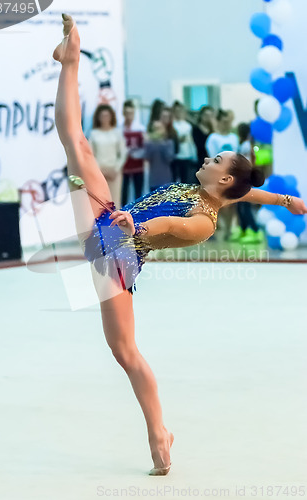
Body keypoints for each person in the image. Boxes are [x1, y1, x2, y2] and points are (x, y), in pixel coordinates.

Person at [53, 15, 307, 477]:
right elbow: (247, 192)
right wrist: (286, 199)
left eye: (214, 159)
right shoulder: (214, 192)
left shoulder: (203, 221)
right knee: (78, 146)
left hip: (119, 256)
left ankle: (157, 431)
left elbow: (168, 223)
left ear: (222, 178)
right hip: (110, 225)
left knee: (126, 353)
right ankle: (70, 61)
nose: (205, 159)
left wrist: (134, 229)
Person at [206, 109, 239, 240]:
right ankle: (216, 226)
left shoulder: (234, 137)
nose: (227, 124)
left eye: (228, 122)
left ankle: (229, 229)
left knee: (231, 203)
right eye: (224, 122)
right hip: (218, 175)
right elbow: (213, 157)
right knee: (217, 203)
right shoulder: (213, 138)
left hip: (232, 174)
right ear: (219, 122)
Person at [89, 104, 127, 209]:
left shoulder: (117, 133)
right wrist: (100, 170)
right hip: (99, 172)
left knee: (115, 201)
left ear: (111, 117)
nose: (105, 118)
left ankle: (116, 225)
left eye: (107, 116)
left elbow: (122, 153)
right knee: (101, 202)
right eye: (102, 116)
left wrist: (115, 169)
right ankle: (102, 225)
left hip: (115, 172)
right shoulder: (94, 134)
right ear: (98, 118)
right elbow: (91, 154)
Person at [231, 123, 263, 244]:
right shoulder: (243, 144)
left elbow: (245, 162)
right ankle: (243, 229)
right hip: (241, 177)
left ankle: (255, 230)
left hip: (244, 177)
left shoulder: (245, 145)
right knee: (240, 205)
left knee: (245, 206)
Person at [121, 100, 146, 206]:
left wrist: (137, 154)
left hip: (137, 165)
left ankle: (137, 213)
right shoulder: (119, 128)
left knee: (138, 193)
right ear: (123, 113)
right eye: (127, 113)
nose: (129, 115)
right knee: (123, 192)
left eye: (131, 113)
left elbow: (145, 147)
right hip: (123, 165)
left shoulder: (140, 128)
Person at [144, 120, 175, 192]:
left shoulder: (168, 143)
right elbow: (147, 157)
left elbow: (169, 158)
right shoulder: (150, 143)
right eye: (155, 128)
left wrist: (161, 143)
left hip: (165, 180)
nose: (156, 131)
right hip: (153, 180)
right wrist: (150, 143)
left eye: (159, 128)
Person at [171, 101, 197, 183]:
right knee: (175, 180)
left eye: (180, 111)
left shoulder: (188, 125)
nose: (179, 113)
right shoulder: (172, 125)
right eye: (176, 111)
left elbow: (191, 142)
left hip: (186, 155)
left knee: (185, 180)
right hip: (175, 156)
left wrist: (193, 155)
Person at [192, 105, 215, 170]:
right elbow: (199, 144)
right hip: (201, 158)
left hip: (212, 159)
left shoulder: (213, 130)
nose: (207, 117)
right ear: (201, 115)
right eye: (206, 115)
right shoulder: (196, 129)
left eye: (210, 116)